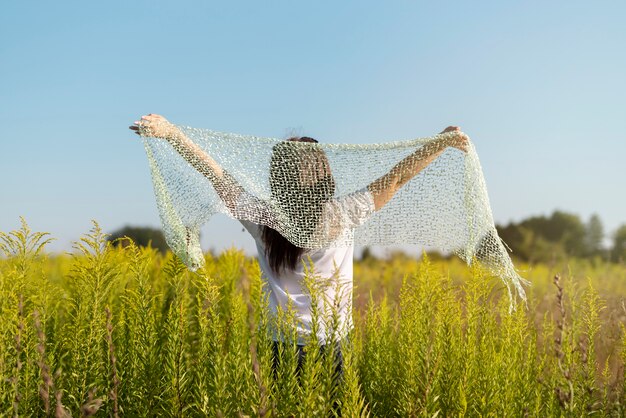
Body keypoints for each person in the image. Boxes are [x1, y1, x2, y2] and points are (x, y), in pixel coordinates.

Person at [129, 114, 469, 377]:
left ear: (278, 182)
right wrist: (439, 144)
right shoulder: (343, 214)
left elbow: (216, 175)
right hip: (335, 343)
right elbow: (397, 177)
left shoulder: (263, 219)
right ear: (324, 176)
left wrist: (172, 133)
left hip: (281, 346)